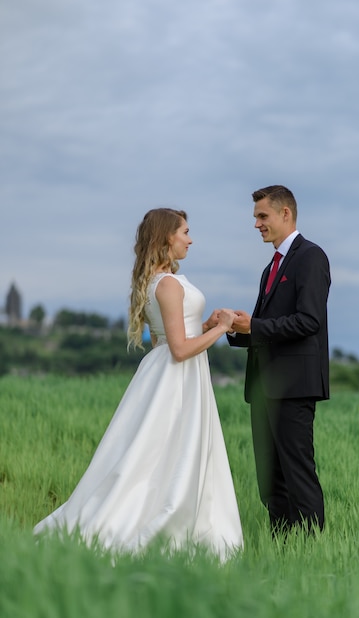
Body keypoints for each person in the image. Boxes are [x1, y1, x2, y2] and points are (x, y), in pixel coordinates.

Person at [34, 208, 243, 561]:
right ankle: (160, 527)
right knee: (165, 454)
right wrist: (223, 330)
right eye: (186, 232)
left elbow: (178, 335)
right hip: (177, 378)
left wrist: (207, 325)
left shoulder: (163, 281)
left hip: (176, 375)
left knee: (164, 454)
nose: (190, 239)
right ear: (167, 238)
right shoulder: (169, 285)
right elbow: (178, 349)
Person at [227, 185, 330, 536]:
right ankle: (283, 551)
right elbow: (264, 329)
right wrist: (231, 328)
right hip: (263, 387)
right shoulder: (270, 267)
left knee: (298, 475)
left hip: (294, 386)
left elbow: (309, 321)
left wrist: (252, 325)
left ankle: (313, 552)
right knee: (270, 482)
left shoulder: (311, 257)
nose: (257, 224)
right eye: (256, 217)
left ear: (285, 213)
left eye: (262, 216)